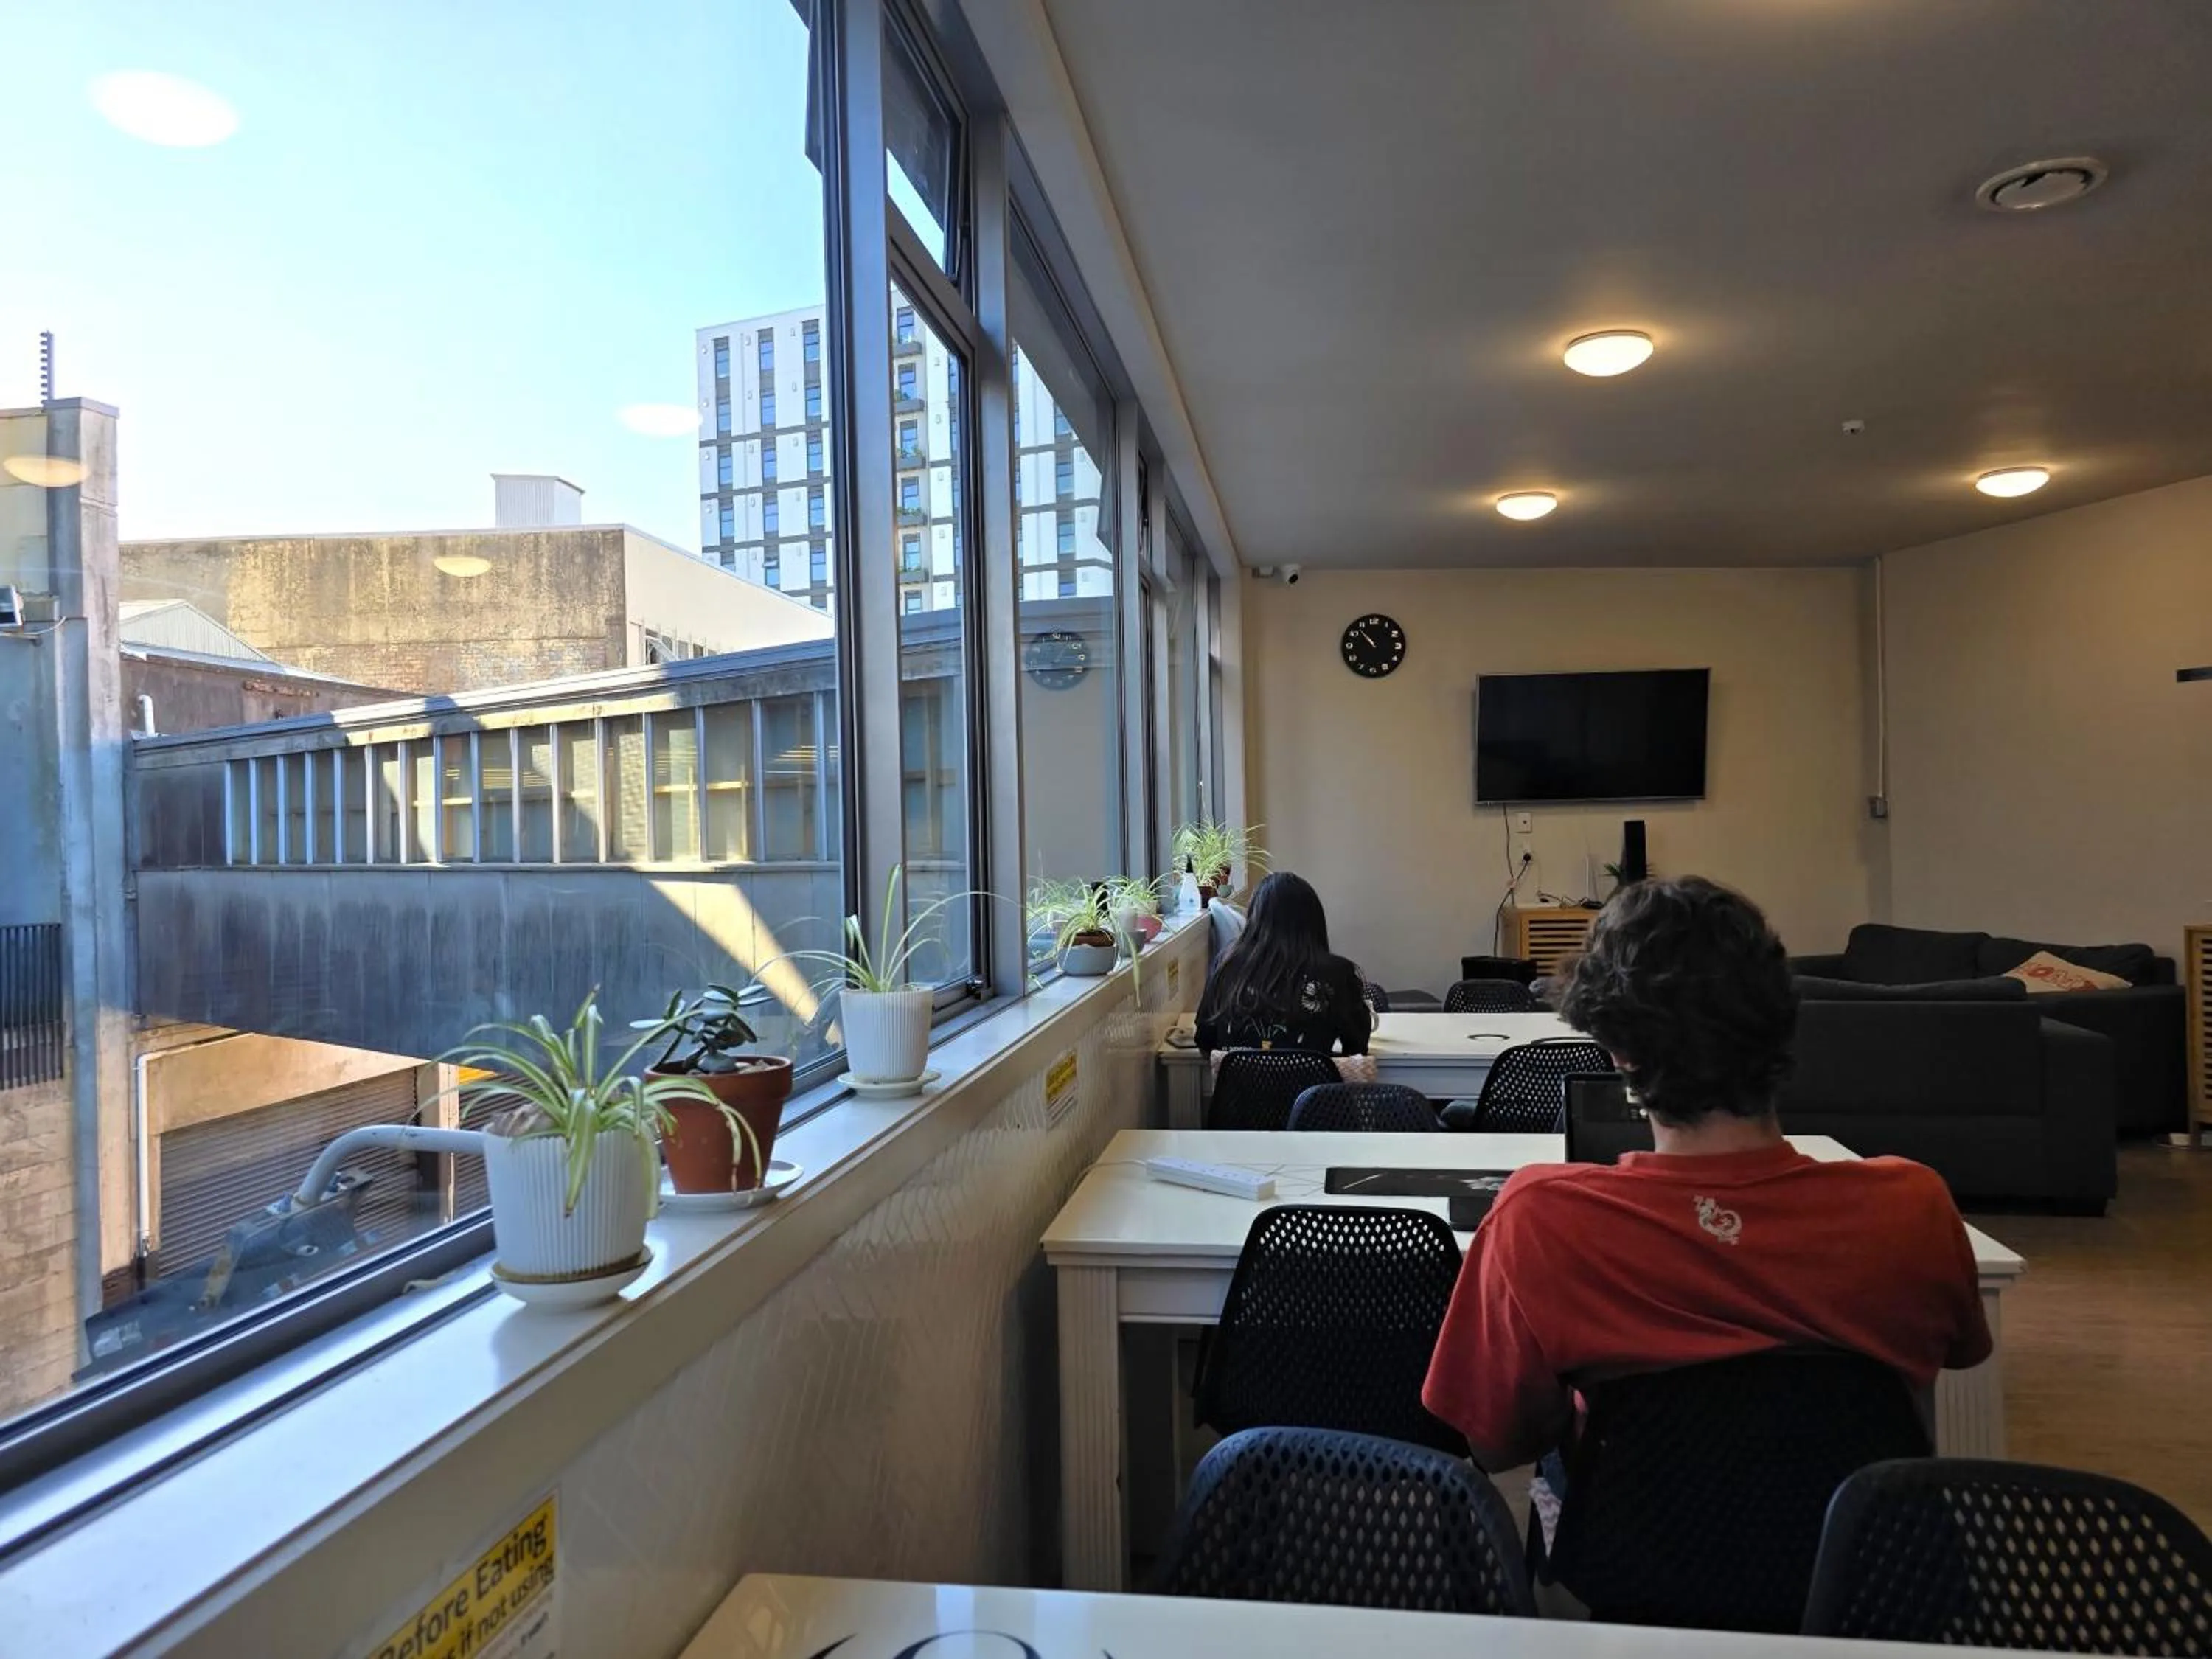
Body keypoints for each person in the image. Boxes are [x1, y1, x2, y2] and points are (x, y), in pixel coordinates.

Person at [1422, 875, 1990, 1473]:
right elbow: (1940, 1376)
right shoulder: (1914, 1207)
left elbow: (1495, 1445)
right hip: (1853, 1561)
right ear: (1782, 1020)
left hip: (1627, 1564)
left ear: (1617, 1050)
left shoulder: (1538, 1218)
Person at [1194, 871, 1372, 1058]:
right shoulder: (1337, 974)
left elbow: (1205, 1041)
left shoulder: (1227, 965)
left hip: (1239, 1087)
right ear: (1314, 920)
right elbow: (1358, 1045)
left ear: (1255, 919)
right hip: (1313, 1086)